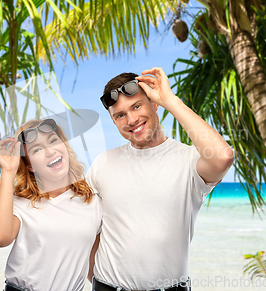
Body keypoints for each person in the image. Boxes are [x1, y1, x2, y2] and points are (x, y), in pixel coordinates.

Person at [86, 67, 234, 291]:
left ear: (154, 104)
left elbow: (223, 156)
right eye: (120, 115)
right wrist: (96, 280)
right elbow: (88, 230)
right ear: (114, 121)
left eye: (137, 106)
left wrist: (170, 100)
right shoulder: (102, 163)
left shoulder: (188, 161)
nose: (132, 119)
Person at [0, 118, 102, 291]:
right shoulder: (22, 202)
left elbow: (93, 264)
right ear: (30, 166)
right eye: (37, 149)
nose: (50, 151)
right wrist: (8, 172)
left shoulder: (92, 201)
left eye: (53, 141)